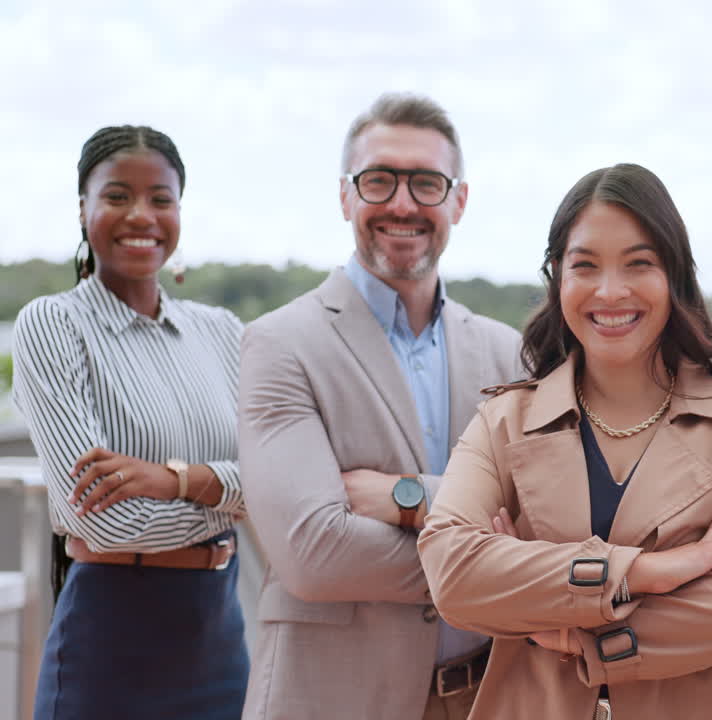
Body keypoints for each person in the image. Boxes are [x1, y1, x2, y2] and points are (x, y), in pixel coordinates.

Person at [417, 162, 712, 719]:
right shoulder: (502, 421)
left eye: (639, 264)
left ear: (674, 275)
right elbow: (452, 575)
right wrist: (641, 572)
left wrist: (569, 631)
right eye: (586, 266)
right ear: (557, 276)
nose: (611, 291)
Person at [236, 92, 523, 720]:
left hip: (487, 698)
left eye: (426, 183)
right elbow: (313, 555)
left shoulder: (511, 354)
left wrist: (409, 496)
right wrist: (504, 560)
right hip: (334, 701)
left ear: (459, 201)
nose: (401, 203)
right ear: (345, 196)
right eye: (378, 181)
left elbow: (551, 520)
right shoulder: (279, 345)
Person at [12, 125, 248, 719]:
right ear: (83, 209)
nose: (141, 215)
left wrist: (174, 480)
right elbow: (98, 519)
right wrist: (235, 494)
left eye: (160, 198)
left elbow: (282, 481)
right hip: (111, 639)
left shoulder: (222, 332)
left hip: (220, 634)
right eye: (117, 195)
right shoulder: (53, 324)